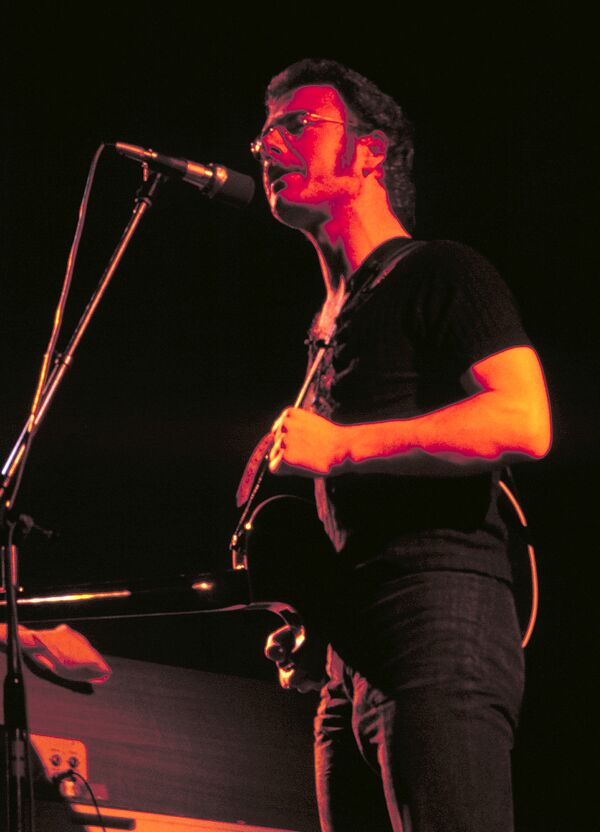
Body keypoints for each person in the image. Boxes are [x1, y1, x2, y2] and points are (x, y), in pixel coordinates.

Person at [247, 58, 552, 832]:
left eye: (297, 125)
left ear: (371, 150)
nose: (269, 144)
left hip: (435, 623)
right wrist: (316, 618)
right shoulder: (325, 329)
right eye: (265, 132)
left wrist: (341, 448)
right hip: (347, 660)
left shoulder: (440, 271)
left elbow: (524, 419)